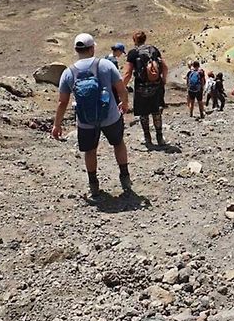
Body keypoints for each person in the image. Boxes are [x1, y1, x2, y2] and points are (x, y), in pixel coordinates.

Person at [52, 33, 130, 197]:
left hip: (85, 120)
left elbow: (62, 102)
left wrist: (57, 124)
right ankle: (124, 177)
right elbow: (121, 88)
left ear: (76, 49)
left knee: (90, 151)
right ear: (92, 48)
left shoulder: (68, 72)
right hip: (110, 116)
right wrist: (124, 103)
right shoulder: (106, 65)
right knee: (118, 143)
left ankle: (93, 184)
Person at [123, 30, 168, 146]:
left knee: (144, 114)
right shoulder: (154, 50)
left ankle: (147, 138)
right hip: (156, 86)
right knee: (156, 112)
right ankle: (160, 138)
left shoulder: (133, 53)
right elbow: (164, 66)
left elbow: (127, 73)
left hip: (141, 88)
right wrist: (163, 80)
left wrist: (121, 87)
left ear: (134, 40)